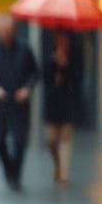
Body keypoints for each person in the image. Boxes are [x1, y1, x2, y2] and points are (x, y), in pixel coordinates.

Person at [0, 13, 38, 191]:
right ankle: (8, 168)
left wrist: (27, 88)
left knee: (20, 140)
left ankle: (16, 175)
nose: (6, 34)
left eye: (9, 30)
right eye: (3, 30)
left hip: (20, 103)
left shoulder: (25, 50)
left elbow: (34, 73)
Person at [42, 30, 81, 184]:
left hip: (68, 99)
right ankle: (57, 164)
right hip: (53, 101)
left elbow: (78, 77)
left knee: (66, 136)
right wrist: (54, 64)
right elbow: (44, 77)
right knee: (52, 140)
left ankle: (64, 171)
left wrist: (66, 67)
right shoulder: (49, 54)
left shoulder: (74, 55)